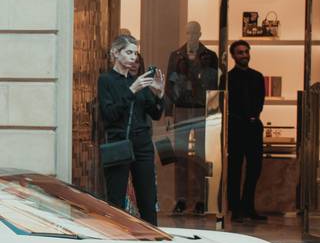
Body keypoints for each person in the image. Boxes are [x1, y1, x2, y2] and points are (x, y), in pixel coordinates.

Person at [99, 35, 165, 225]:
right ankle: (117, 240)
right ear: (115, 53)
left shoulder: (140, 81)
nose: (133, 58)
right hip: (119, 142)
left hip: (143, 145)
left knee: (148, 199)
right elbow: (109, 115)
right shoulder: (106, 81)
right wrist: (131, 90)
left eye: (135, 53)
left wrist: (160, 93)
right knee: (116, 199)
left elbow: (156, 114)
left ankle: (152, 239)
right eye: (128, 52)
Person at [166, 21, 218, 215]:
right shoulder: (176, 55)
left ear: (200, 33)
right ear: (185, 33)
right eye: (189, 32)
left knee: (200, 156)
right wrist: (169, 112)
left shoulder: (209, 56)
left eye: (195, 32)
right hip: (181, 108)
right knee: (180, 156)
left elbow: (214, 85)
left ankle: (201, 200)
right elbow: (169, 87)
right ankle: (181, 199)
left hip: (200, 109)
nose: (192, 36)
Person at [223, 40, 267, 223]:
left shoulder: (257, 76)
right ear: (233, 56)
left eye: (246, 52)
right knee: (234, 170)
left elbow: (260, 101)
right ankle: (236, 209)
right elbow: (227, 105)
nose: (244, 55)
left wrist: (253, 117)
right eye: (240, 52)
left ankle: (249, 206)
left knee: (254, 169)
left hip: (253, 128)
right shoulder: (227, 78)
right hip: (235, 128)